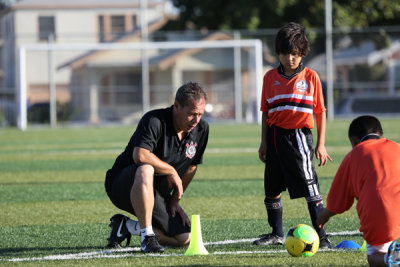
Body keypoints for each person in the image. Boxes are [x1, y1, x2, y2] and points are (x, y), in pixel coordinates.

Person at [104, 82, 209, 253]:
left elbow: (191, 167)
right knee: (146, 169)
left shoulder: (202, 129)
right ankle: (147, 237)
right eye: (191, 114)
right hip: (122, 185)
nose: (196, 120)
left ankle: (127, 226)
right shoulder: (154, 120)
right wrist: (171, 171)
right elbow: (140, 155)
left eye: (200, 114)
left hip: (155, 193)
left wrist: (175, 200)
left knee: (184, 238)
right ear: (176, 106)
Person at [253, 22, 332, 248]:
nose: (290, 59)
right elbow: (265, 112)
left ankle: (323, 236)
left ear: (303, 54)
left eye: (296, 54)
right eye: (286, 54)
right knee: (272, 189)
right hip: (275, 138)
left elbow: (320, 112)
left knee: (310, 187)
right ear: (278, 53)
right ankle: (276, 233)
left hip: (299, 137)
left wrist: (321, 144)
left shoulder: (311, 77)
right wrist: (263, 141)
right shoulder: (269, 78)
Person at [317, 115, 400, 267]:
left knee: (375, 256)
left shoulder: (353, 155)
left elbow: (339, 202)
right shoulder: (397, 147)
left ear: (354, 142)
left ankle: (396, 257)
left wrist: (324, 216)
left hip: (381, 210)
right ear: (380, 133)